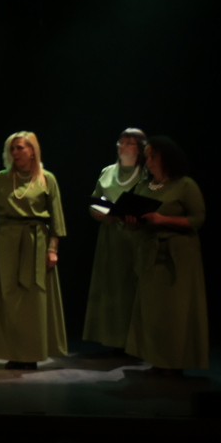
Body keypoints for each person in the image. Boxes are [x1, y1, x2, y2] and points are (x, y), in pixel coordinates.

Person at [0, 131, 67, 369]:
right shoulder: (2, 178)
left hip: (35, 241)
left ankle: (32, 353)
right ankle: (13, 353)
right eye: (12, 149)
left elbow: (56, 217)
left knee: (32, 300)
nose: (15, 153)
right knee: (8, 298)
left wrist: (52, 248)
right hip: (6, 241)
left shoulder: (46, 178)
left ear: (32, 151)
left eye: (20, 148)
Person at [124, 137, 208, 373]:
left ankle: (175, 363)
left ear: (167, 158)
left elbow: (198, 219)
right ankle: (157, 360)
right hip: (150, 256)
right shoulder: (143, 186)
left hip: (178, 258)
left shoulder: (185, 185)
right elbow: (135, 224)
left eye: (153, 156)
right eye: (147, 156)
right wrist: (131, 221)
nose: (148, 161)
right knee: (153, 313)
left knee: (175, 313)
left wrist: (163, 220)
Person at [81, 128, 147, 352]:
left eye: (130, 143)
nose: (123, 146)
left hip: (135, 236)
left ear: (140, 149)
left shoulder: (145, 173)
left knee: (133, 286)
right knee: (111, 287)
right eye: (121, 142)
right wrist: (98, 213)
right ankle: (112, 339)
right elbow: (95, 201)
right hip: (110, 237)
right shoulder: (108, 172)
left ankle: (136, 341)